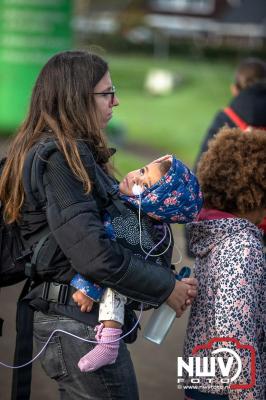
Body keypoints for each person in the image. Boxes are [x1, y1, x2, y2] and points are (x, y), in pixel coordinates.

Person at [0, 50, 199, 400]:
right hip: (76, 327)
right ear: (77, 98)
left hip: (77, 326)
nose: (116, 101)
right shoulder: (60, 160)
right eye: (107, 93)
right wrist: (166, 287)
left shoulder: (75, 155)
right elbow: (94, 254)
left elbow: (117, 237)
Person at [70, 154, 202, 373]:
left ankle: (109, 343)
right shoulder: (139, 216)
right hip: (125, 287)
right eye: (142, 171)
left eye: (146, 184)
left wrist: (87, 287)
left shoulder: (131, 220)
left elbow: (105, 256)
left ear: (159, 204)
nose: (135, 178)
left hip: (114, 286)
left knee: (116, 285)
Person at [183, 127, 266, 399]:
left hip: (201, 373)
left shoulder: (213, 234)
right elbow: (235, 328)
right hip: (229, 388)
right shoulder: (243, 245)